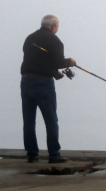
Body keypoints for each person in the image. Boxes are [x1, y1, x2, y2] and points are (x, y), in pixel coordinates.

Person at [20, 15, 76, 163]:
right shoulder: (54, 40)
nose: (57, 29)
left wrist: (53, 73)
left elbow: (36, 61)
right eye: (57, 27)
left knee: (28, 120)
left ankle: (32, 154)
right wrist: (70, 62)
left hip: (26, 81)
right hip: (43, 84)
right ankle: (54, 155)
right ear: (53, 26)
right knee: (51, 119)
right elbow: (58, 62)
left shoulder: (29, 38)